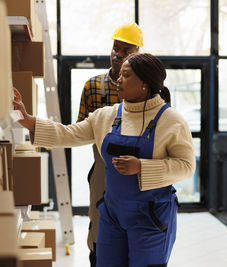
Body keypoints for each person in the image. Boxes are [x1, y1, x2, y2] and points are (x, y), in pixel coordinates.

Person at [13, 52, 196, 267]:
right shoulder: (106, 116)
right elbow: (68, 133)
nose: (118, 79)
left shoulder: (172, 121)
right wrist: (27, 121)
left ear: (144, 83)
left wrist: (141, 167)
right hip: (113, 214)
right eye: (120, 75)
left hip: (151, 217)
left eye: (126, 75)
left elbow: (186, 166)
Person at [76, 22, 143, 267]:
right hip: (103, 171)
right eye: (116, 48)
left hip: (138, 172)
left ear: (137, 53)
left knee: (134, 235)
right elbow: (80, 131)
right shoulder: (93, 87)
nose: (118, 54)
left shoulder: (149, 89)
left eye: (126, 51)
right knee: (99, 232)